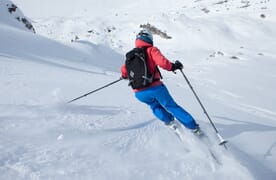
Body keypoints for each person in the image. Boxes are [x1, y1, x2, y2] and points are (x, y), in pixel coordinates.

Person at [121, 29, 202, 135]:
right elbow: (163, 63)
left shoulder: (130, 56)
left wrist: (124, 76)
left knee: (154, 106)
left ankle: (170, 122)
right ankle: (193, 128)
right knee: (170, 106)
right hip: (155, 88)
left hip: (139, 93)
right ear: (149, 39)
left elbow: (124, 71)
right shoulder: (151, 50)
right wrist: (174, 66)